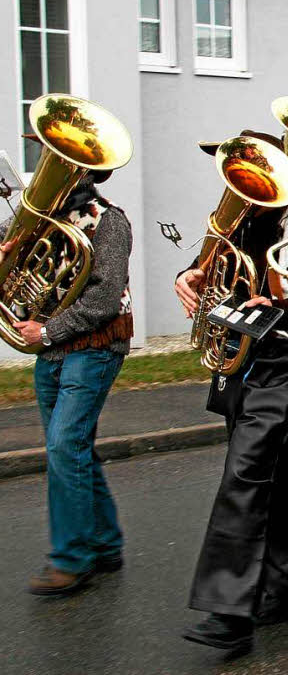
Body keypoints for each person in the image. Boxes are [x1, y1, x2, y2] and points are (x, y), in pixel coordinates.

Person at [174, 135, 288, 654]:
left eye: (255, 175)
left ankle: (230, 612)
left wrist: (275, 307)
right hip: (243, 358)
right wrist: (188, 277)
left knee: (245, 475)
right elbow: (210, 274)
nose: (246, 185)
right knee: (272, 477)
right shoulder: (236, 222)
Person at [2, 166, 133, 597]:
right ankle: (105, 541)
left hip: (94, 344)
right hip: (51, 348)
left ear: (86, 174)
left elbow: (104, 296)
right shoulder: (35, 215)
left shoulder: (109, 220)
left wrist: (49, 330)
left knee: (64, 444)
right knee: (74, 448)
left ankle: (71, 559)